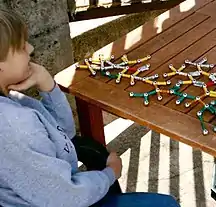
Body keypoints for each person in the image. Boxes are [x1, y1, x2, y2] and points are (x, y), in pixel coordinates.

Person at [0, 9, 180, 207]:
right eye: (20, 47)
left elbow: (63, 134)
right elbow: (66, 196)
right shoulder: (13, 126)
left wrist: (46, 83)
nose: (31, 48)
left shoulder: (13, 102)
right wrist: (110, 174)